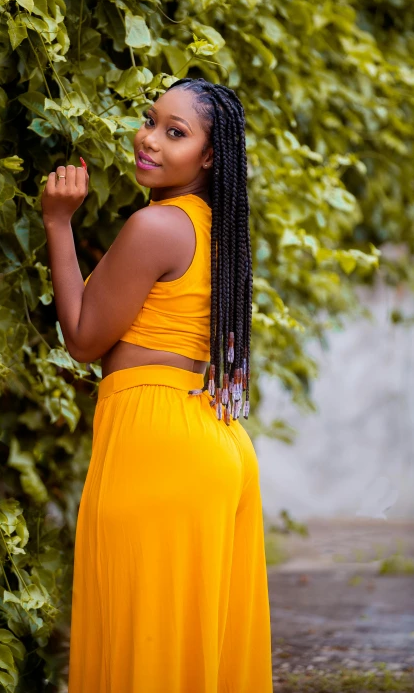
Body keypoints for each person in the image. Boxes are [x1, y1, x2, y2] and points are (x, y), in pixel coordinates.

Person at [41, 77, 273, 692]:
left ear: (210, 155)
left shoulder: (158, 228)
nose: (149, 140)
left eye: (176, 132)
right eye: (150, 121)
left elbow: (86, 340)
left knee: (148, 654)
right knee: (193, 657)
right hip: (212, 439)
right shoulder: (218, 230)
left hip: (157, 448)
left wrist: (58, 223)